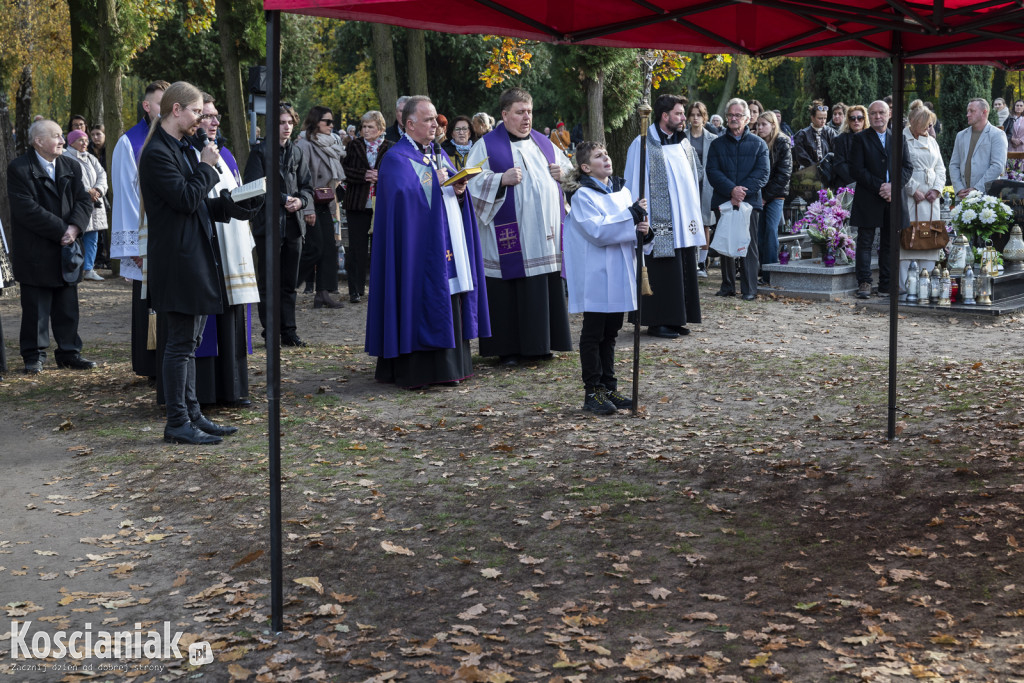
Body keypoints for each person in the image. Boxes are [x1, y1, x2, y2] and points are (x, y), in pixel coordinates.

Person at [138, 81, 255, 445]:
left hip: (195, 257)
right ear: (176, 110)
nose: (201, 121)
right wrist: (207, 166)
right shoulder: (157, 153)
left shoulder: (182, 148)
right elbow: (187, 198)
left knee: (190, 342)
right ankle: (177, 421)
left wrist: (237, 202)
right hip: (177, 261)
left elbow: (201, 205)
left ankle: (192, 414)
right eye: (196, 113)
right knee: (179, 345)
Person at [365, 95, 490, 387]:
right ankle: (420, 369)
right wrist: (434, 181)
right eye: (429, 119)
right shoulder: (396, 158)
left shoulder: (436, 153)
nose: (436, 124)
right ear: (410, 124)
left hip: (446, 243)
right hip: (418, 253)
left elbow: (445, 191)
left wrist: (459, 190)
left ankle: (451, 366)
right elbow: (404, 199)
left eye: (436, 118)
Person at [466, 88, 574, 365]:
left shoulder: (545, 143)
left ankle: (543, 344)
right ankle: (509, 349)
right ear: (504, 115)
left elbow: (574, 176)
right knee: (510, 290)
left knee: (542, 288)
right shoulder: (486, 146)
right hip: (510, 240)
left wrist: (565, 175)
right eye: (519, 112)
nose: (527, 118)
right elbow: (470, 183)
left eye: (529, 112)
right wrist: (500, 179)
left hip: (544, 238)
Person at [169, 93, 259, 407]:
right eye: (206, 115)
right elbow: (188, 199)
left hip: (230, 246)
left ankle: (231, 389)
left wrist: (250, 202)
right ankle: (203, 395)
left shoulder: (224, 154)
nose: (214, 121)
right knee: (197, 333)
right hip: (203, 247)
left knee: (230, 319)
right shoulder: (185, 154)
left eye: (215, 116)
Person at [562, 141, 649, 415]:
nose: (607, 158)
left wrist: (643, 230)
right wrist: (631, 215)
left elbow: (631, 225)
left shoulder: (621, 190)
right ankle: (593, 391)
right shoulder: (582, 196)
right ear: (586, 167)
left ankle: (609, 386)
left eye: (607, 154)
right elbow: (597, 231)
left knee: (611, 332)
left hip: (620, 268)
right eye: (599, 156)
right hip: (596, 271)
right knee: (594, 332)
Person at [7, 119, 96, 374]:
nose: (62, 140)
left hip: (67, 249)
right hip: (36, 249)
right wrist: (62, 230)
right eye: (56, 136)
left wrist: (75, 228)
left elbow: (83, 200)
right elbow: (26, 209)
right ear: (38, 142)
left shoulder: (70, 164)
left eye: (61, 136)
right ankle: (34, 356)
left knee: (68, 306)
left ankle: (69, 353)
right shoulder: (20, 168)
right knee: (36, 308)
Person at [624, 93, 705, 336]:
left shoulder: (682, 142)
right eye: (679, 114)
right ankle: (657, 320)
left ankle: (677, 317)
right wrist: (641, 215)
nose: (684, 118)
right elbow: (634, 182)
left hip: (682, 219)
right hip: (657, 221)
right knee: (661, 268)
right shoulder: (642, 144)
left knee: (681, 265)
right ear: (664, 115)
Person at [111, 79, 169, 379]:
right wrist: (135, 247)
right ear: (147, 107)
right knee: (149, 303)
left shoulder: (174, 138)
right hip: (145, 241)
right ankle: (150, 365)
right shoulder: (129, 143)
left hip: (171, 240)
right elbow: (125, 197)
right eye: (162, 103)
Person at [244, 104, 314, 347]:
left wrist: (302, 200)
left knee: (289, 283)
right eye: (282, 123)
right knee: (268, 282)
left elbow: (307, 186)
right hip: (268, 226)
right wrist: (285, 199)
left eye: (290, 123)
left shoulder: (297, 152)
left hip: (293, 226)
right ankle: (271, 331)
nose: (287, 127)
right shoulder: (260, 152)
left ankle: (289, 330)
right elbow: (253, 189)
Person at [706, 98, 770, 301]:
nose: (734, 119)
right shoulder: (717, 145)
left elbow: (763, 173)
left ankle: (750, 288)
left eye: (738, 115)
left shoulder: (759, 144)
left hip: (749, 202)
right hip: (724, 199)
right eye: (731, 115)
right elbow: (712, 171)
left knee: (748, 244)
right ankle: (727, 286)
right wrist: (731, 190)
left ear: (747, 118)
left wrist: (742, 192)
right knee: (725, 241)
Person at [850, 100, 913, 299]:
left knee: (889, 242)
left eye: (882, 113)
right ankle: (865, 282)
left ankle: (887, 284)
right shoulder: (861, 139)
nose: (878, 116)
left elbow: (907, 167)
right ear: (870, 116)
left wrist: (893, 186)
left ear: (889, 115)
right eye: (874, 113)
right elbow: (857, 170)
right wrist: (880, 186)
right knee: (865, 241)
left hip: (893, 199)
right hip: (869, 196)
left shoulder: (899, 139)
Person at [295, 105, 346, 310]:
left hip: (326, 201)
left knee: (328, 249)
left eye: (333, 122)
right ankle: (288, 284)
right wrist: (307, 209)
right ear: (316, 122)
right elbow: (302, 179)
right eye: (327, 122)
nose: (331, 126)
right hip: (311, 201)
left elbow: (333, 178)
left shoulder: (332, 143)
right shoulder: (305, 144)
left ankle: (323, 293)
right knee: (314, 248)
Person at [341, 110, 391, 304]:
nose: (366, 130)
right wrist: (364, 175)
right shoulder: (354, 145)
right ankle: (355, 289)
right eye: (364, 126)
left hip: (383, 204)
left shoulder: (390, 147)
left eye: (370, 127)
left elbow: (397, 173)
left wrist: (382, 176)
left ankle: (380, 289)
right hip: (357, 203)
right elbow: (343, 170)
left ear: (380, 129)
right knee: (356, 248)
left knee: (381, 247)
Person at [899, 105, 946, 299]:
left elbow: (941, 168)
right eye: (926, 125)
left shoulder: (933, 142)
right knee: (909, 239)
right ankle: (905, 288)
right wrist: (913, 189)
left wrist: (936, 189)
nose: (929, 128)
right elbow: (899, 167)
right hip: (912, 197)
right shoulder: (902, 140)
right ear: (915, 122)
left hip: (931, 200)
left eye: (931, 125)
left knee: (929, 239)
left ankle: (926, 286)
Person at [63, 129, 108, 281]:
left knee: (92, 237)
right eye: (81, 140)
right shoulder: (64, 156)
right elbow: (68, 180)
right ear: (71, 142)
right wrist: (86, 192)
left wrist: (97, 190)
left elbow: (102, 175)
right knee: (75, 236)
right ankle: (73, 268)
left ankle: (89, 268)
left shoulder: (90, 157)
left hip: (95, 203)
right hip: (77, 203)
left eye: (86, 140)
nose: (85, 143)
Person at [755, 111, 792, 280]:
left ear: (772, 125)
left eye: (764, 124)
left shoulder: (782, 142)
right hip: (757, 194)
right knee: (758, 232)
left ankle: (770, 272)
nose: (760, 127)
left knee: (770, 230)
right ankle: (761, 269)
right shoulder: (756, 142)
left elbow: (783, 174)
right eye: (758, 124)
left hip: (776, 195)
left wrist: (765, 197)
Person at [684, 101, 719, 277]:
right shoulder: (681, 137)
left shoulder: (713, 139)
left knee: (705, 223)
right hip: (687, 186)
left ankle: (701, 263)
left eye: (699, 114)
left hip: (706, 185)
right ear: (688, 117)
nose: (695, 118)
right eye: (693, 114)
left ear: (704, 117)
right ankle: (688, 260)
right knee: (688, 221)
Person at [949, 98, 1008, 199]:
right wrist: (959, 189)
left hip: (986, 196)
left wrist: (977, 189)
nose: (968, 114)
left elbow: (997, 166)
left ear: (984, 112)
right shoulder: (961, 135)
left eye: (972, 111)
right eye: (968, 111)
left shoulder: (997, 135)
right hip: (962, 196)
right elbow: (954, 164)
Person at [830, 104, 868, 191]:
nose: (856, 121)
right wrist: (855, 182)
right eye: (852, 118)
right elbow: (839, 164)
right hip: (846, 185)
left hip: (868, 184)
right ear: (848, 121)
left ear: (864, 119)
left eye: (860, 118)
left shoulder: (871, 138)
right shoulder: (840, 139)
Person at [792, 100, 836, 172]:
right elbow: (802, 156)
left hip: (829, 171)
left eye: (825, 118)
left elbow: (836, 151)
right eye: (820, 118)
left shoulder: (830, 132)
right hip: (809, 172)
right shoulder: (803, 134)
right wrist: (816, 168)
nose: (823, 121)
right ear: (812, 118)